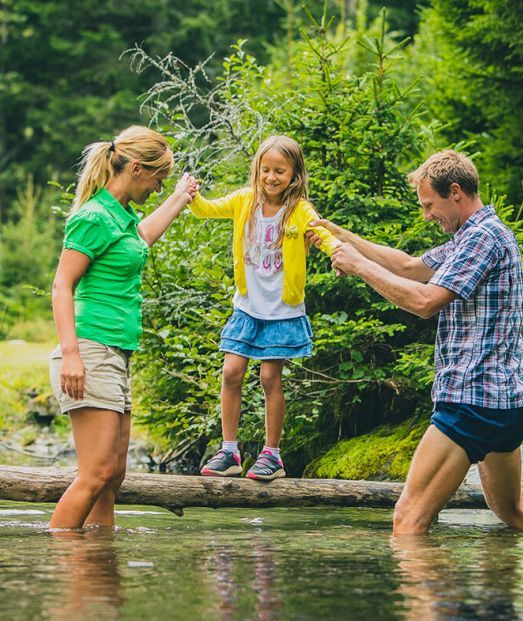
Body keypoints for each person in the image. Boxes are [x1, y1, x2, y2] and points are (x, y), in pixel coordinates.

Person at [307, 150, 523, 534]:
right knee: (511, 510)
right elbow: (408, 265)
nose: (426, 215)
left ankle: (428, 596)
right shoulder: (469, 237)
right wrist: (341, 236)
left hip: (472, 400)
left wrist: (359, 267)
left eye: (429, 205)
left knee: (409, 518)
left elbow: (425, 302)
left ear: (455, 191)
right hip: (505, 403)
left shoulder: (482, 238)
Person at [49, 125, 197, 529]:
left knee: (112, 478)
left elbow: (142, 237)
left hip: (116, 353)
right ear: (135, 168)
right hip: (91, 350)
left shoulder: (123, 216)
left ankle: (99, 569)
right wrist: (72, 355)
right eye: (157, 179)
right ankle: (61, 564)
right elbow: (62, 286)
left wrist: (179, 198)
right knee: (94, 474)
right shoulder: (94, 216)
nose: (156, 187)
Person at [191, 135, 340, 481]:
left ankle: (272, 456)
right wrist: (192, 195)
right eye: (266, 170)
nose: (271, 177)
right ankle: (230, 451)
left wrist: (338, 255)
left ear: (294, 175)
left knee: (270, 377)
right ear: (257, 170)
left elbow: (325, 235)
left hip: (281, 310)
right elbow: (206, 209)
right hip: (247, 307)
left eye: (280, 171)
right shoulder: (245, 200)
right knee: (231, 373)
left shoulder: (300, 210)